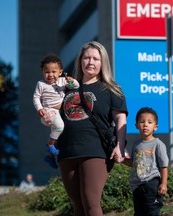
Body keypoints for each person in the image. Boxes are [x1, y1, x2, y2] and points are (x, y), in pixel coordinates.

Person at [56, 41, 128, 216]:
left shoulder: (111, 89)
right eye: (86, 57)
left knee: (91, 202)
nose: (90, 62)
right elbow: (55, 116)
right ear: (80, 61)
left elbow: (120, 119)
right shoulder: (66, 89)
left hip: (96, 150)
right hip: (67, 151)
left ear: (102, 62)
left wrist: (120, 145)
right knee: (78, 206)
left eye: (96, 58)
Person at [115, 107, 169, 216]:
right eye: (142, 121)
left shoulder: (158, 144)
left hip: (151, 184)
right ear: (136, 125)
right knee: (139, 213)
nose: (145, 125)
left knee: (152, 212)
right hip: (137, 186)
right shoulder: (136, 144)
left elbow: (164, 165)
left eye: (149, 122)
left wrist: (164, 183)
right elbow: (134, 163)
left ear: (155, 127)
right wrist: (122, 160)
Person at [33, 54, 79, 169]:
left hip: (59, 113)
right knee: (59, 127)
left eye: (54, 71)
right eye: (47, 72)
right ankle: (49, 144)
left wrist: (71, 81)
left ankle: (50, 157)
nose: (51, 75)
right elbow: (36, 97)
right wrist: (39, 108)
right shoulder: (41, 84)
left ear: (60, 72)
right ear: (42, 72)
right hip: (48, 111)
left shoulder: (63, 81)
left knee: (59, 133)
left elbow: (76, 86)